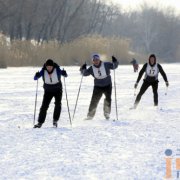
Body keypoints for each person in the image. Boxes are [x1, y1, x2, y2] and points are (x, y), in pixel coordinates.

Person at [80, 54, 119, 120]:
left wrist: (115, 61)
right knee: (94, 101)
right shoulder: (92, 68)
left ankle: (107, 113)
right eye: (94, 60)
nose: (96, 61)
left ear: (99, 59)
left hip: (107, 84)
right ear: (93, 61)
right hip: (98, 86)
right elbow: (85, 73)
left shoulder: (105, 64)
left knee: (108, 99)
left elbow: (114, 66)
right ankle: (90, 116)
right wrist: (82, 68)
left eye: (97, 60)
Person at [33, 59, 67, 128]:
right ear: (46, 66)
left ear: (53, 66)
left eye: (50, 67)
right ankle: (40, 122)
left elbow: (65, 75)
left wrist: (64, 73)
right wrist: (36, 75)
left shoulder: (57, 70)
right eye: (48, 67)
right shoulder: (43, 71)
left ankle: (55, 120)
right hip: (48, 91)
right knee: (44, 106)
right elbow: (35, 78)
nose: (49, 68)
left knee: (58, 104)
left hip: (58, 90)